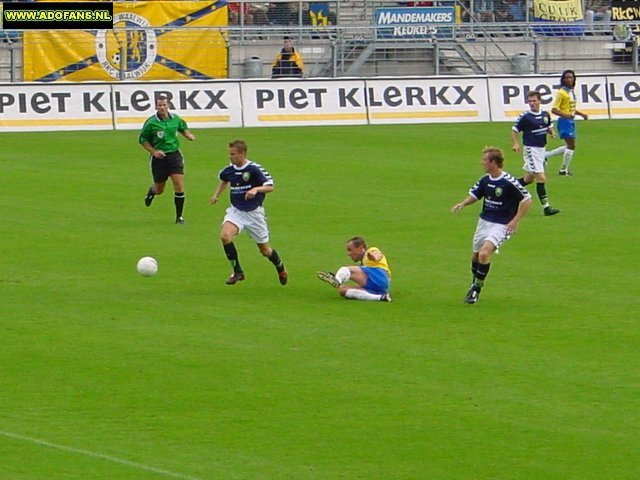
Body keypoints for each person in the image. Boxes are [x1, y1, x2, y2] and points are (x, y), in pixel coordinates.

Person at [451, 147, 532, 304]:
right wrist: (462, 204)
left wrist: (515, 220)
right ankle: (475, 282)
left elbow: (527, 200)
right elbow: (475, 195)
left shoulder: (509, 182)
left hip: (502, 225)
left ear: (493, 163)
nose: (482, 163)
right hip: (484, 222)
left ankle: (476, 289)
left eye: (485, 160)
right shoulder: (485, 180)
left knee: (484, 254)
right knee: (475, 256)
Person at [209, 140, 288, 286]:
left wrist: (256, 189)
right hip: (236, 212)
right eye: (229, 154)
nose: (230, 157)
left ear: (242, 154)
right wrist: (216, 195)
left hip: (254, 214)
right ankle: (238, 271)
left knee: (265, 250)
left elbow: (270, 187)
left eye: (233, 154)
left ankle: (280, 267)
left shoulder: (254, 169)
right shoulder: (229, 170)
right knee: (225, 236)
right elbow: (224, 180)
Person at [139, 96, 195, 224]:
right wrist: (154, 152)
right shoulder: (151, 123)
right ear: (156, 106)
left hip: (174, 156)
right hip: (159, 159)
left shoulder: (175, 118)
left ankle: (179, 217)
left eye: (164, 105)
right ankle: (152, 191)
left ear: (168, 105)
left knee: (179, 185)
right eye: (159, 105)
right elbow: (143, 140)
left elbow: (182, 127)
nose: (162, 107)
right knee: (160, 189)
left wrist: (187, 135)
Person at [511, 90, 560, 216]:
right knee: (541, 178)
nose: (532, 103)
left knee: (528, 179)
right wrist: (516, 143)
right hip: (531, 150)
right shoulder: (526, 117)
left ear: (540, 101)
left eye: (534, 101)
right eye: (530, 101)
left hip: (541, 150)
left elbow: (548, 125)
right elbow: (514, 130)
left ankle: (508, 188)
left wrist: (552, 132)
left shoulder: (545, 114)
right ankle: (546, 207)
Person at [317, 237, 392, 302]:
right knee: (343, 290)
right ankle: (380, 297)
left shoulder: (370, 251)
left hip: (380, 276)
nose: (348, 253)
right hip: (380, 286)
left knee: (347, 270)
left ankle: (337, 280)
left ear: (360, 248)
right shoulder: (365, 263)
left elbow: (378, 255)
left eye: (350, 250)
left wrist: (374, 256)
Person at [548, 69, 588, 176]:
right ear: (563, 80)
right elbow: (554, 109)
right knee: (571, 145)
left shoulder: (571, 92)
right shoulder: (561, 93)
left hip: (570, 121)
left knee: (570, 145)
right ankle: (563, 170)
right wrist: (567, 116)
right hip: (564, 121)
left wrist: (581, 114)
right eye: (566, 78)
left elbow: (571, 109)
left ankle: (545, 156)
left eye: (571, 77)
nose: (569, 79)